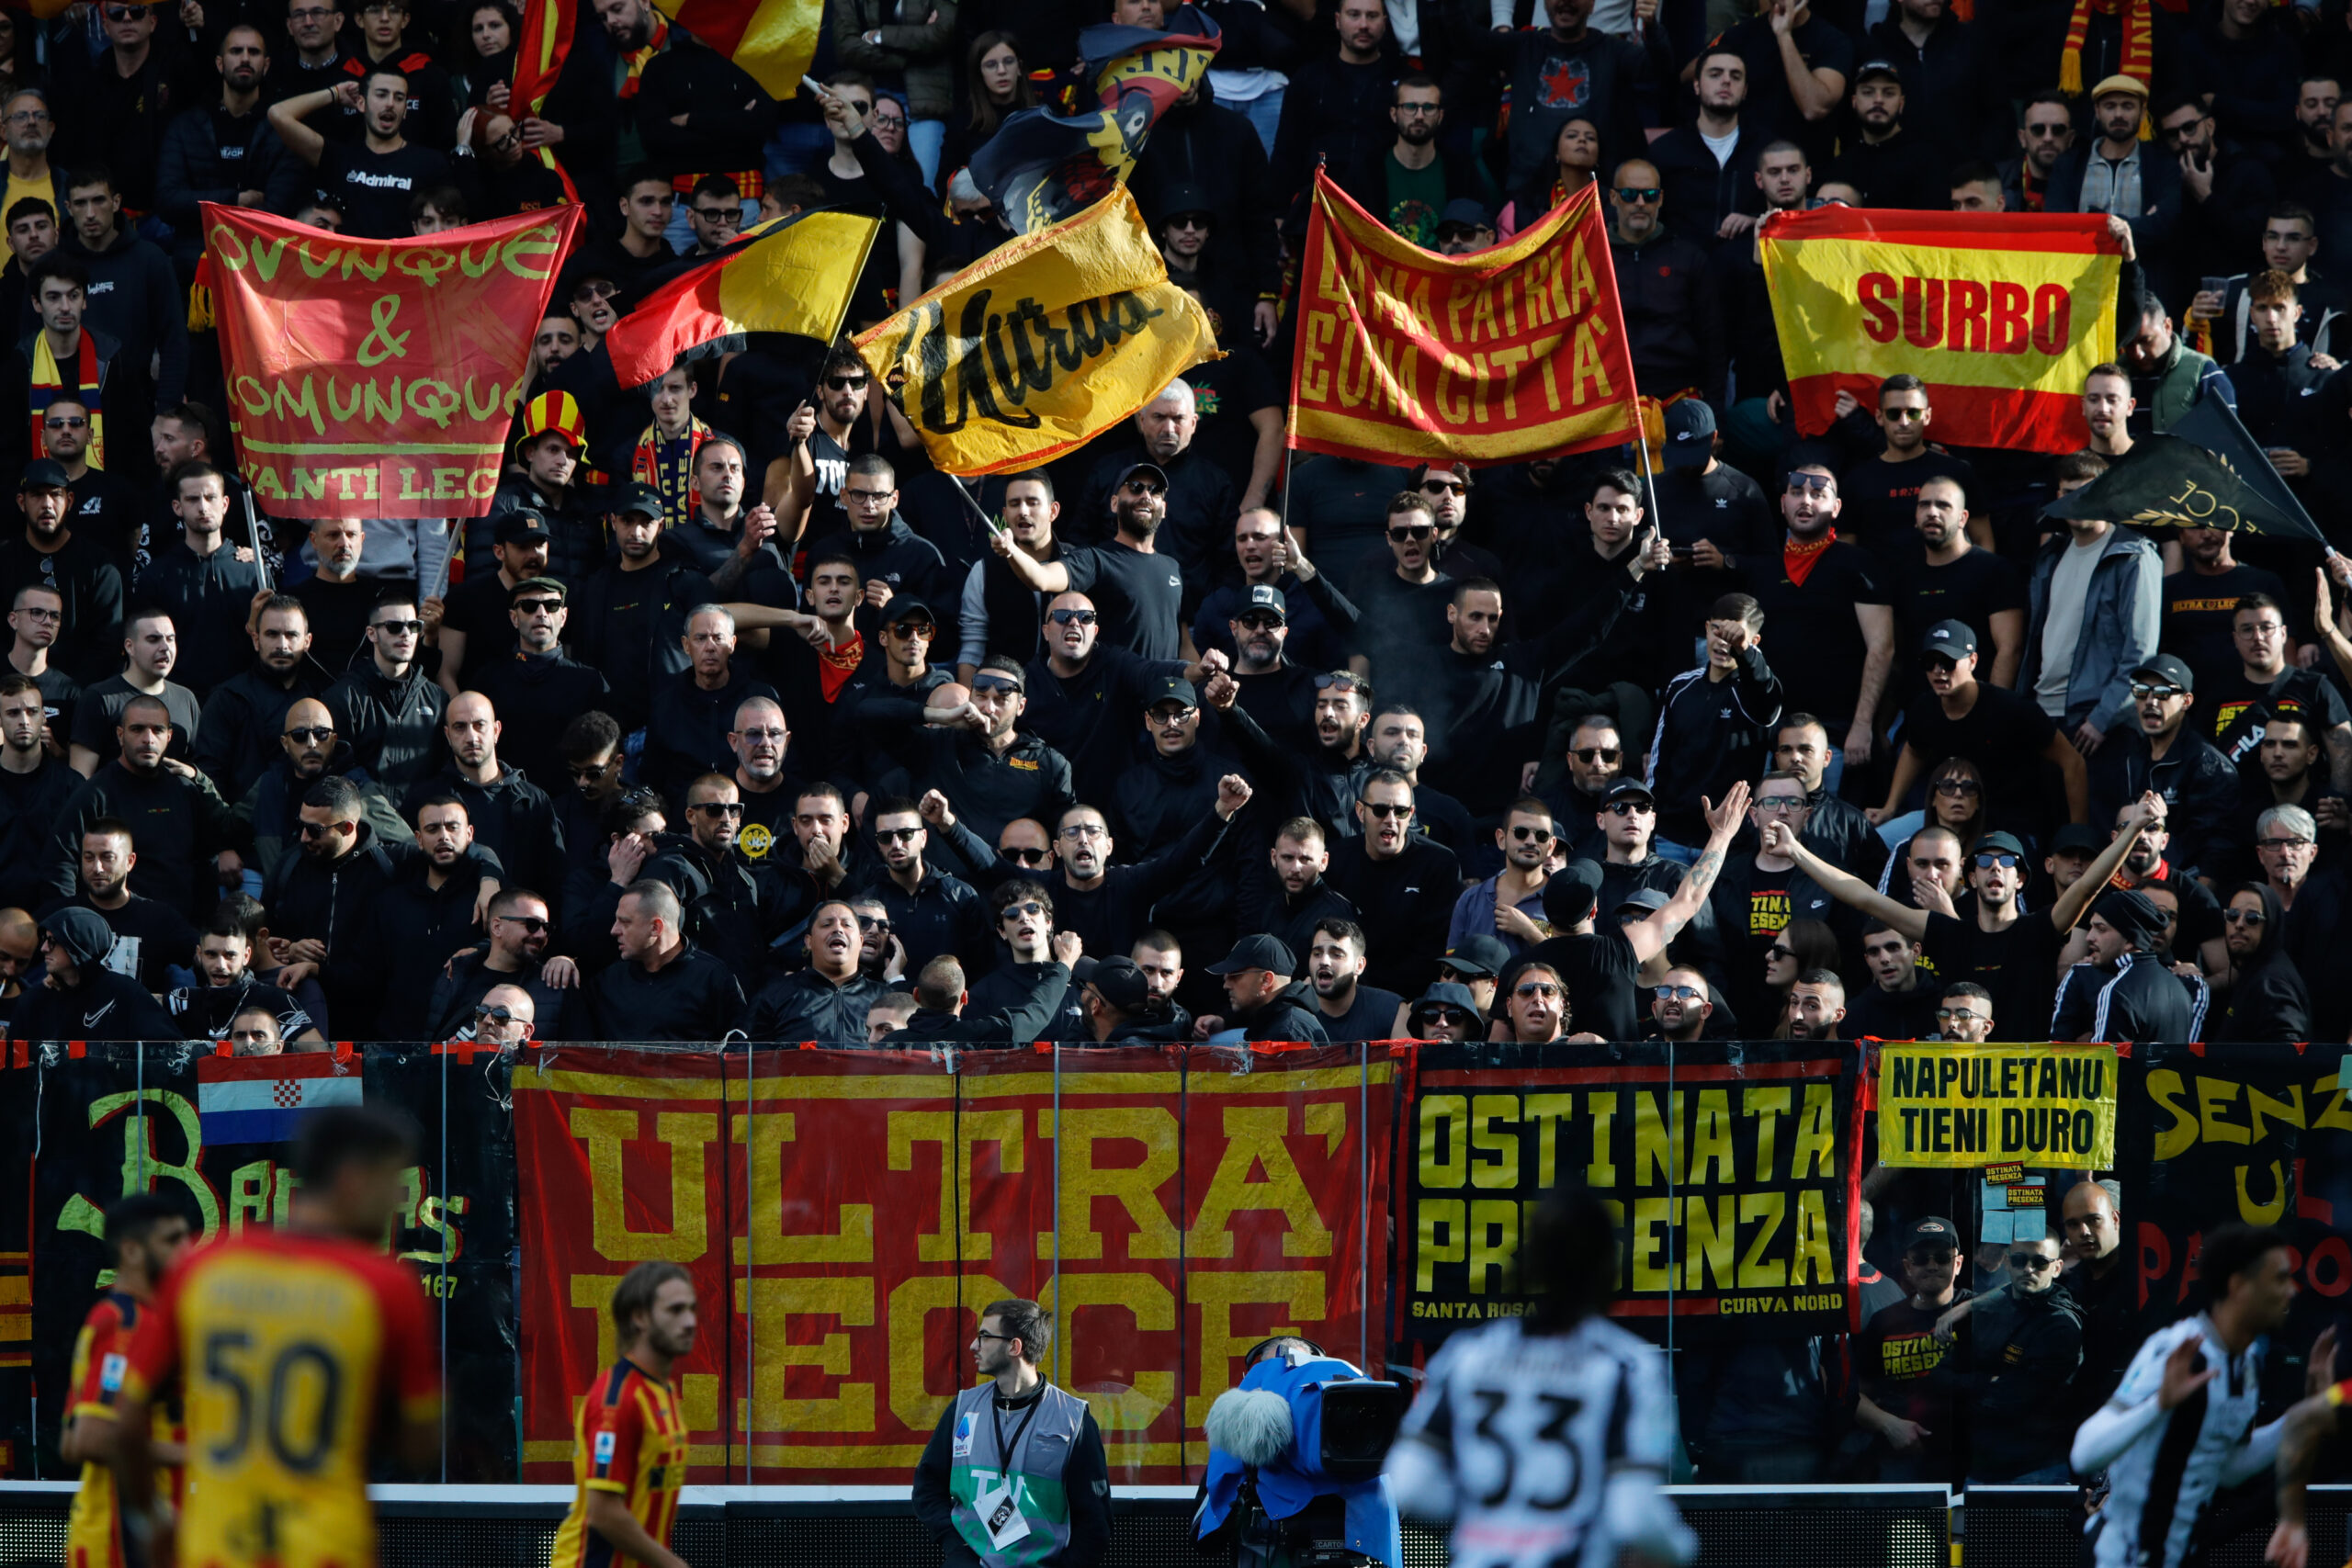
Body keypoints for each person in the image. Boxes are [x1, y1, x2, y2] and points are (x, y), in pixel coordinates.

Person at [113, 1106, 442, 1568]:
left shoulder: (204, 1269)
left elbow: (125, 1421)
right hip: (328, 1551)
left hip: (214, 1550)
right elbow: (420, 1447)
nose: (397, 1201)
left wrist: (152, 1522)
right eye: (392, 1182)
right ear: (352, 1179)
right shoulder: (383, 1285)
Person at [1387, 1183, 1693, 1566]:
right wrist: (1682, 1549)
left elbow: (1409, 1484)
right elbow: (1633, 1514)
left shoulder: (1469, 1354)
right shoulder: (1626, 1367)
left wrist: (1480, 1508)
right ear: (1607, 1265)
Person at [1767, 792, 2166, 1039]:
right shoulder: (1949, 935)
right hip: (1962, 1092)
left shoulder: (2038, 929)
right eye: (1985, 862)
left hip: (2024, 1091)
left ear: (2021, 879)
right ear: (1970, 877)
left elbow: (2086, 887)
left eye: (2006, 861)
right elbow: (1865, 898)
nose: (1995, 868)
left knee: (2021, 1182)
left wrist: (2133, 830)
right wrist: (1797, 852)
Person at [2074, 1224, 2325, 1568]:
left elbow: (2229, 1468)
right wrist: (2158, 1405)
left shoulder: (2247, 1363)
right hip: (2121, 1558)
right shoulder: (2178, 1350)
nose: (2291, 1291)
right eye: (2279, 1279)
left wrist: (2304, 1415)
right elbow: (2084, 1453)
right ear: (2239, 1286)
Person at [910, 1298, 1110, 1567]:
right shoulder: (963, 1409)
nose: (973, 1346)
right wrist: (957, 1548)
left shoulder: (1072, 1419)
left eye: (984, 1336)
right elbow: (927, 1487)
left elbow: (1094, 1522)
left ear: (1015, 1347)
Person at [59, 1192, 195, 1568]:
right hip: (123, 1546)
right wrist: (202, 1456)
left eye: (187, 1237)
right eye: (171, 1240)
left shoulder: (123, 1319)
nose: (187, 1249)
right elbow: (89, 1439)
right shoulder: (129, 1324)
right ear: (132, 1251)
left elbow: (70, 1443)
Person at [548, 1261, 696, 1568]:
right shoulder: (617, 1401)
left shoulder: (662, 1389)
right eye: (676, 1310)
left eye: (692, 1309)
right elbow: (603, 1512)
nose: (691, 1321)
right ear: (640, 1317)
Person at [594, 879, 745, 1042]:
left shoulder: (713, 979)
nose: (614, 930)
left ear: (655, 927)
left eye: (625, 922)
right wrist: (565, 960)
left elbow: (740, 1052)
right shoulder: (610, 980)